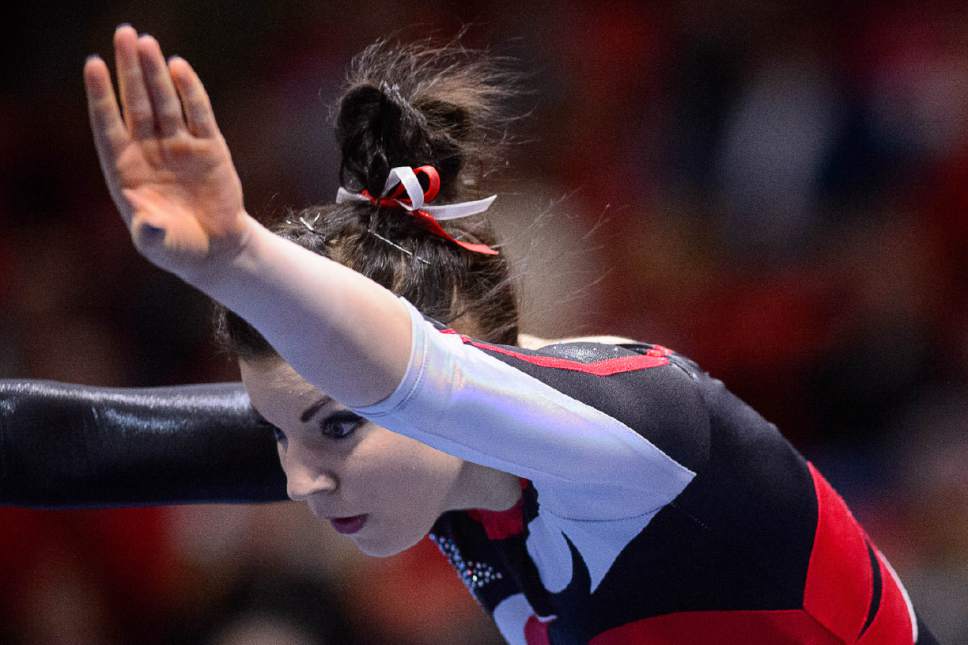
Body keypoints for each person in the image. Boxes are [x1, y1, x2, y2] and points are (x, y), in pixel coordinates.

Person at [0, 23, 937, 643]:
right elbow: (63, 445)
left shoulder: (648, 430)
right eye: (280, 432)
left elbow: (417, 381)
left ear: (459, 344)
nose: (295, 478)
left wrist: (236, 254)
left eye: (329, 424)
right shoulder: (396, 456)